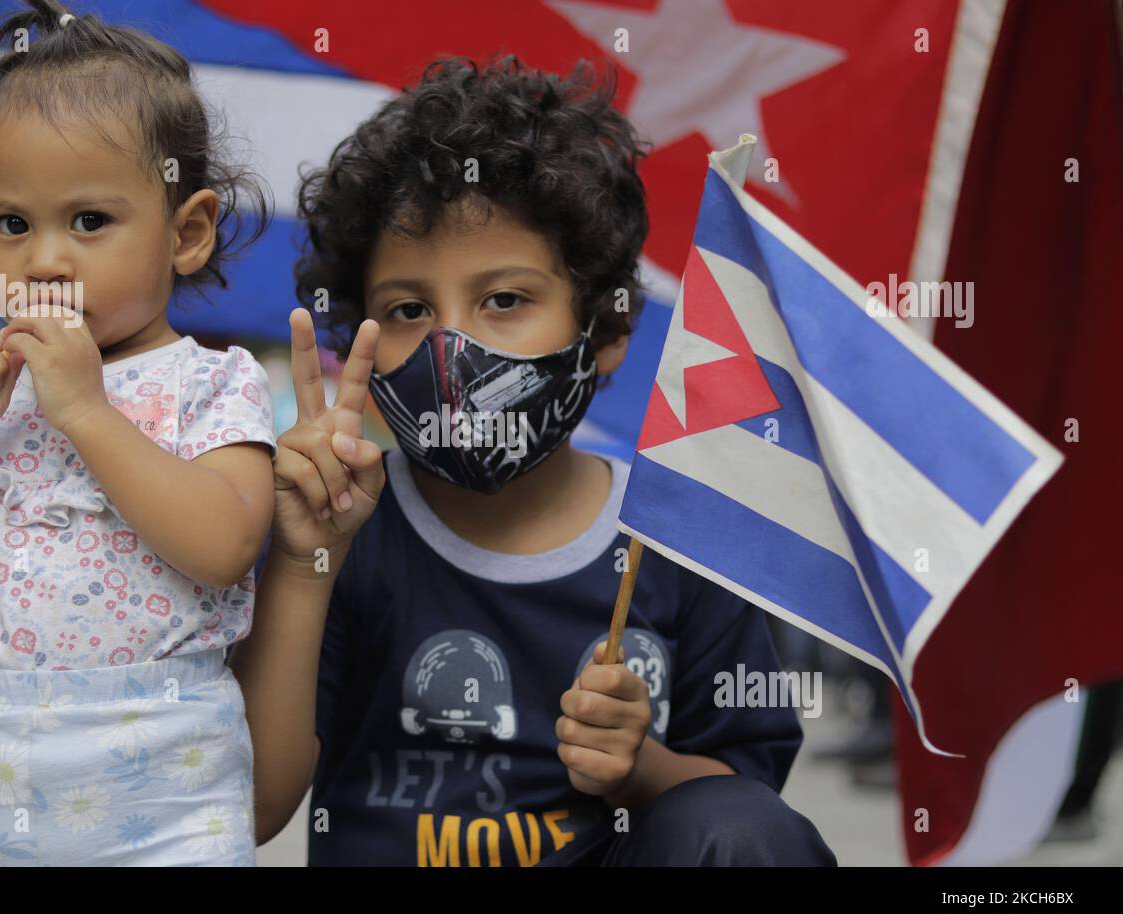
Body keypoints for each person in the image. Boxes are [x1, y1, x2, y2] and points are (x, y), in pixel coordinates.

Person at [233, 56, 836, 866]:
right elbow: (252, 807)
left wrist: (637, 766)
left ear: (608, 330)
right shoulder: (347, 534)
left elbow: (747, 819)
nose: (455, 348)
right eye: (409, 310)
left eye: (505, 300)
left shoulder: (677, 536)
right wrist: (305, 564)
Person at [0, 0, 275, 866]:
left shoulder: (211, 382)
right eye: (11, 224)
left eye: (89, 222)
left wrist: (84, 411)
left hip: (166, 794)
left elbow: (224, 543)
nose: (42, 259)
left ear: (186, 232)